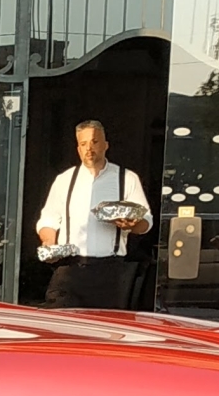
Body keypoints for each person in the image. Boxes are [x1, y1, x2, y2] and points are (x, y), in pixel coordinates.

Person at [35, 120, 151, 308]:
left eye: (95, 142)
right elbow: (48, 218)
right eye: (83, 144)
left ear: (106, 145)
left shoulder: (127, 178)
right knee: (62, 329)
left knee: (106, 332)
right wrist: (49, 242)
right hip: (69, 269)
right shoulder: (64, 180)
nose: (89, 148)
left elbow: (146, 222)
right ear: (78, 148)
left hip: (110, 272)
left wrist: (132, 224)